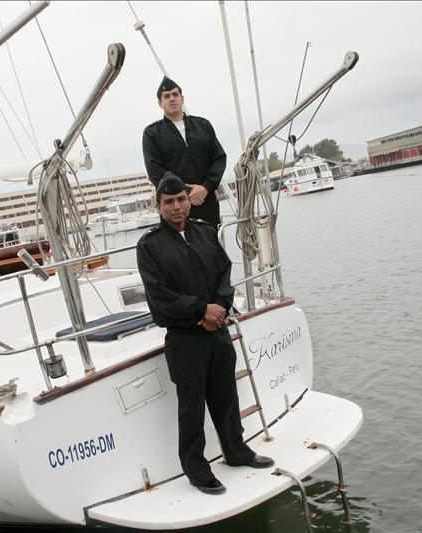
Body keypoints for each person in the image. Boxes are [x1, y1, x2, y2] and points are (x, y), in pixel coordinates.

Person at [136, 173, 274, 496]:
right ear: (158, 206)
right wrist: (201, 311)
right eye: (168, 202)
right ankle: (197, 471)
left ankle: (236, 451)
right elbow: (160, 295)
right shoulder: (150, 246)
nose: (176, 207)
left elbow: (224, 274)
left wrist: (220, 308)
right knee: (192, 407)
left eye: (181, 199)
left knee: (226, 395)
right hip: (185, 338)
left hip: (218, 331)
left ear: (189, 201)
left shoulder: (206, 232)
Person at [142, 76, 226, 227]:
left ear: (182, 99)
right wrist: (184, 193)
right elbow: (154, 171)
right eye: (166, 96)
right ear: (160, 103)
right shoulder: (152, 133)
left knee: (211, 241)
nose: (172, 98)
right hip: (174, 210)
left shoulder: (203, 125)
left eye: (175, 94)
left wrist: (206, 187)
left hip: (206, 204)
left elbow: (219, 158)